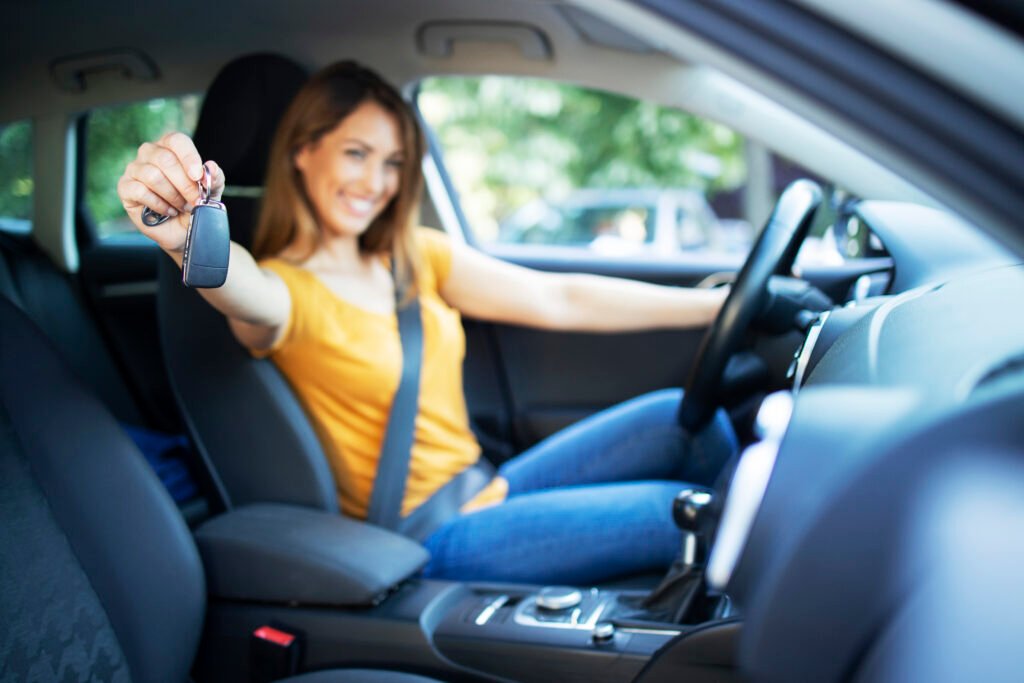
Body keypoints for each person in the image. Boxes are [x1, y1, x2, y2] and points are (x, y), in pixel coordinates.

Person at [117, 61, 736, 585]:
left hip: (486, 484)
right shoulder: (288, 292)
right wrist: (183, 240)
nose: (376, 182)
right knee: (680, 514)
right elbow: (241, 288)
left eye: (392, 162)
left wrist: (716, 306)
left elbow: (559, 299)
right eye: (356, 154)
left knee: (688, 420)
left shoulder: (414, 253)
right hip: (432, 536)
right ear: (303, 153)